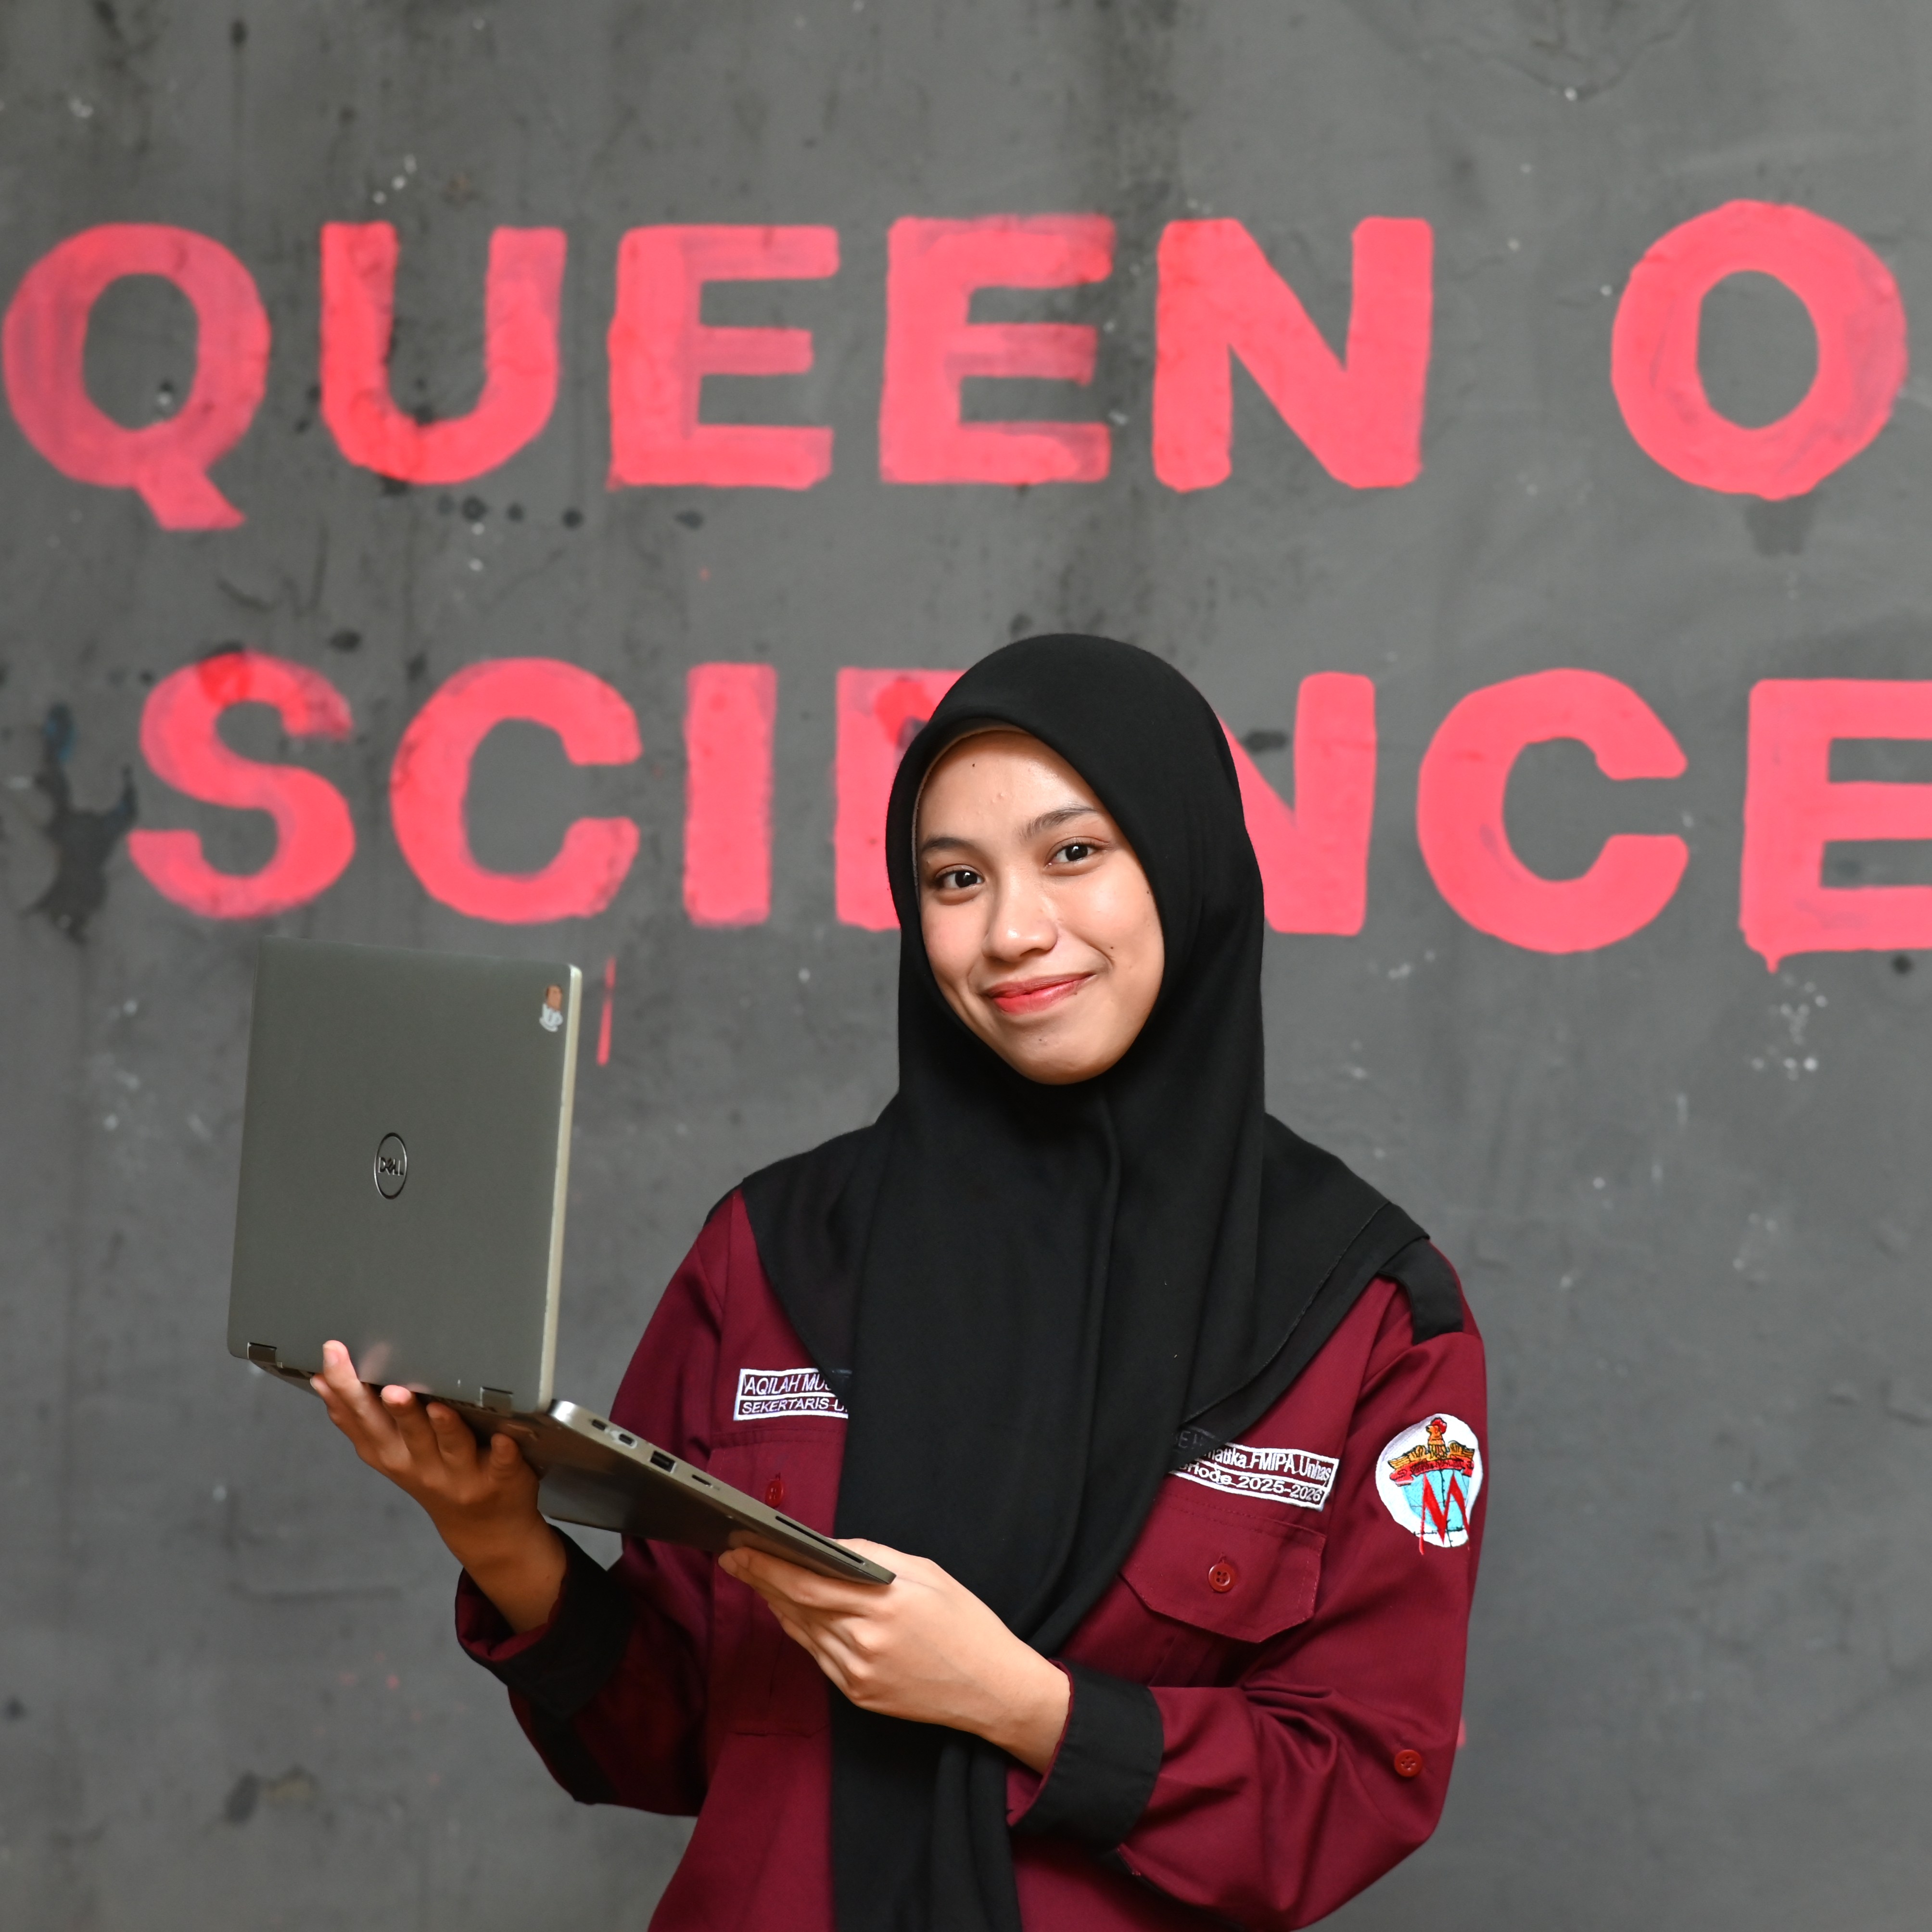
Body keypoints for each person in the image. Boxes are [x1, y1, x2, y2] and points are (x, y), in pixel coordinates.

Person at [313, 635, 1487, 1932]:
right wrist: (498, 1536)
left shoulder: (1363, 1313)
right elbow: (667, 1743)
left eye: (1074, 853)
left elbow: (1360, 1787)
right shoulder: (774, 1250)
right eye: (956, 878)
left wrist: (1024, 1707)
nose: (1013, 931)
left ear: (1189, 862)